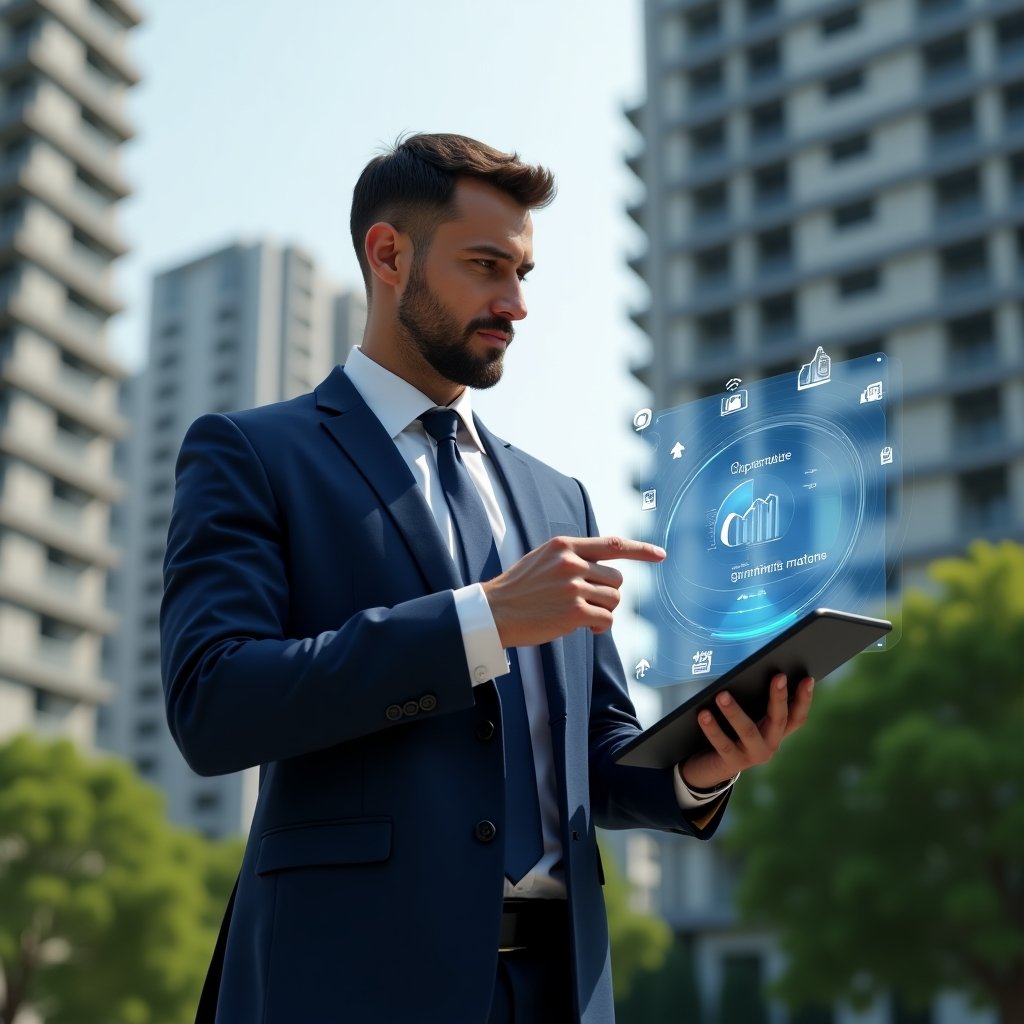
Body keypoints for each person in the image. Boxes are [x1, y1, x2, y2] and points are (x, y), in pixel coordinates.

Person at [160, 133, 814, 1024]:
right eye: (485, 266)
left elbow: (594, 750)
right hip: (347, 982)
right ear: (389, 255)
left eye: (525, 274)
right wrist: (481, 621)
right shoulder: (253, 454)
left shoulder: (560, 498)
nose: (516, 303)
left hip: (560, 986)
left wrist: (700, 765)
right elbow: (214, 701)